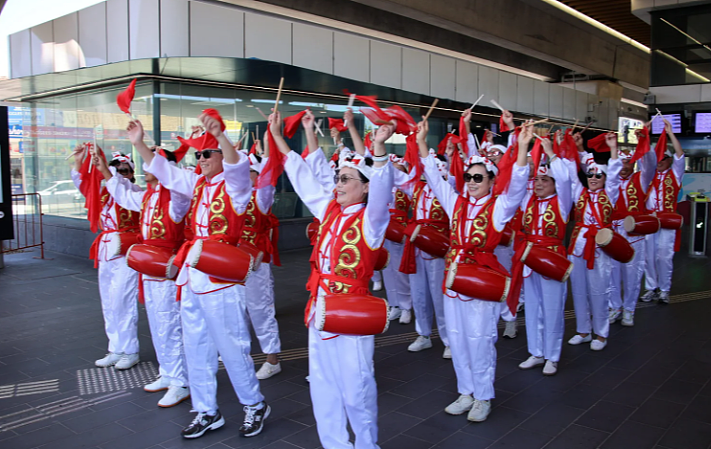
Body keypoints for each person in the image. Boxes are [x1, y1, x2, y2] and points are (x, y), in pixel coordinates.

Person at [126, 110, 269, 439]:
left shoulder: (237, 186)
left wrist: (221, 136)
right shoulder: (198, 185)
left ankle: (254, 404)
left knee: (232, 346)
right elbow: (166, 172)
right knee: (197, 347)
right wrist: (141, 145)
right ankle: (206, 410)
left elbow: (236, 168)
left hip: (221, 275)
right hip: (193, 276)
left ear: (221, 155)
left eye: (207, 154)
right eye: (198, 154)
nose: (200, 159)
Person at [275, 108, 394, 449]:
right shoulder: (329, 211)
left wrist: (380, 148)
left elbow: (384, 190)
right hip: (321, 310)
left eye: (345, 179)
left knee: (356, 388)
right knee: (323, 387)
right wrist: (281, 139)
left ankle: (366, 445)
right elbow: (303, 179)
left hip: (352, 313)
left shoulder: (372, 222)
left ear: (364, 188)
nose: (337, 184)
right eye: (338, 178)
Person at [418, 118, 530, 423]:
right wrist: (421, 142)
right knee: (457, 337)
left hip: (481, 281)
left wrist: (521, 148)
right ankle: (465, 392)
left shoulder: (498, 207)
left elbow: (518, 185)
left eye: (478, 178)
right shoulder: (455, 203)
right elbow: (433, 177)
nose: (471, 181)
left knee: (480, 339)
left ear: (491, 181)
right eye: (468, 176)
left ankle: (483, 396)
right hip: (454, 280)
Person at [94, 147, 191, 406]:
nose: (148, 169)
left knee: (170, 325)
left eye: (155, 165)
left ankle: (181, 381)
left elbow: (176, 188)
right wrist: (105, 170)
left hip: (168, 271)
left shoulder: (177, 198)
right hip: (149, 271)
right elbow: (123, 194)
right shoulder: (147, 197)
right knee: (158, 327)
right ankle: (167, 372)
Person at [70, 146, 141, 370]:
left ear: (132, 173)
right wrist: (78, 163)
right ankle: (116, 348)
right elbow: (82, 184)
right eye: (117, 170)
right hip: (107, 251)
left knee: (123, 302)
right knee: (109, 302)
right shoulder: (103, 194)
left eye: (126, 170)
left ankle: (130, 350)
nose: (122, 174)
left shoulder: (136, 193)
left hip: (126, 252)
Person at [515, 138, 572, 376]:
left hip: (552, 260)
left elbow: (567, 180)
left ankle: (552, 355)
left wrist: (551, 153)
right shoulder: (529, 202)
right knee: (533, 308)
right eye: (536, 179)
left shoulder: (562, 203)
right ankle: (536, 352)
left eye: (544, 180)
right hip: (530, 260)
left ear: (554, 183)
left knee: (552, 308)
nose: (538, 184)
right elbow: (516, 184)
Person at [567, 133, 621, 351]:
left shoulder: (610, 194)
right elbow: (572, 175)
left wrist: (613, 148)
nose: (594, 177)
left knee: (599, 291)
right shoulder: (580, 193)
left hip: (599, 248)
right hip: (578, 247)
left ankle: (601, 334)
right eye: (590, 175)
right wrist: (573, 148)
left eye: (599, 175)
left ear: (605, 179)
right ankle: (583, 331)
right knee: (579, 290)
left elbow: (615, 174)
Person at [241, 150, 283, 380]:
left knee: (260, 309)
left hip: (256, 259)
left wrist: (269, 149)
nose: (245, 176)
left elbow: (269, 182)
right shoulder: (233, 194)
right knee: (236, 308)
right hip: (233, 259)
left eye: (250, 172)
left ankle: (272, 358)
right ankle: (239, 347)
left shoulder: (261, 197)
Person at [609, 141, 656, 326]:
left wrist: (646, 144)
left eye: (627, 163)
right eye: (620, 163)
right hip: (613, 233)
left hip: (634, 232)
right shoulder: (609, 181)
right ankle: (615, 307)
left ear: (633, 163)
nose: (623, 167)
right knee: (612, 272)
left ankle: (629, 309)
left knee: (632, 274)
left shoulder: (641, 179)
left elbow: (651, 163)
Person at [642, 120, 685, 304]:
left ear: (668, 160)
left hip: (667, 220)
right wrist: (645, 133)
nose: (659, 162)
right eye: (657, 159)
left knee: (664, 256)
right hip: (650, 220)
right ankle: (651, 287)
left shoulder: (675, 175)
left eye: (663, 159)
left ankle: (664, 289)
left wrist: (670, 134)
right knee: (648, 255)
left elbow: (680, 155)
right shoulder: (647, 176)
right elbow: (643, 157)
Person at [383, 156, 413, 325]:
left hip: (399, 230)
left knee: (400, 271)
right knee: (387, 269)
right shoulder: (384, 187)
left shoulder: (407, 188)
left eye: (398, 170)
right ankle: (393, 303)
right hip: (384, 229)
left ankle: (406, 306)